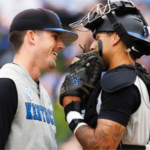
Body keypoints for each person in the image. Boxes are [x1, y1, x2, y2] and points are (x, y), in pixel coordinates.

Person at [59, 0, 150, 150]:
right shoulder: (139, 76)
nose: (93, 46)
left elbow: (102, 146)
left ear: (115, 37)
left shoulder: (120, 81)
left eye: (98, 39)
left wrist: (72, 111)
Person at [0, 8, 78, 150]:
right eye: (55, 37)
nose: (61, 45)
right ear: (32, 37)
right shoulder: (6, 84)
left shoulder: (43, 91)